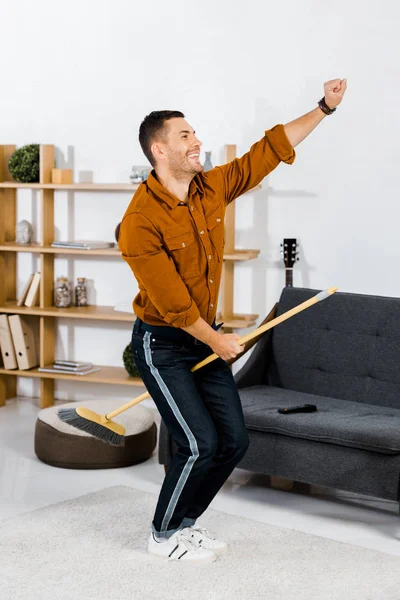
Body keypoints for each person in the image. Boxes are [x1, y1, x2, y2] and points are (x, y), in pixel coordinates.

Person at [118, 78, 347, 565]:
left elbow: (268, 151)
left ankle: (185, 523)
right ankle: (161, 534)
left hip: (205, 338)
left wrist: (324, 108)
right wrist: (216, 342)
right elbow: (175, 306)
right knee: (199, 442)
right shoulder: (139, 221)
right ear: (159, 149)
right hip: (164, 345)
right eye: (185, 136)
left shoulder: (209, 188)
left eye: (195, 132)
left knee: (234, 441)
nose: (196, 140)